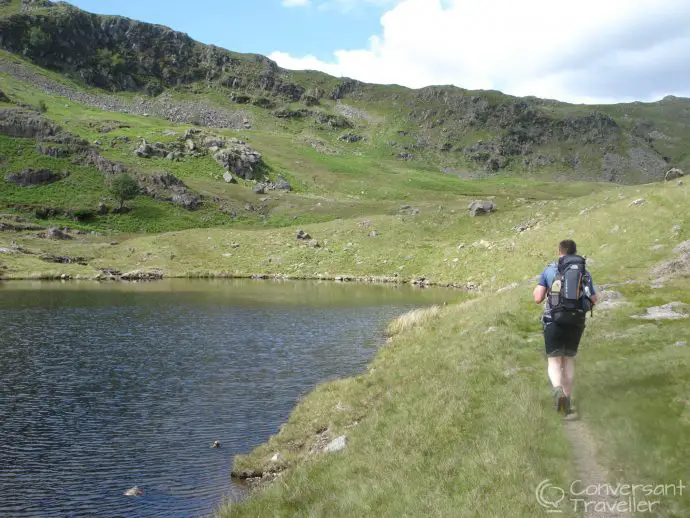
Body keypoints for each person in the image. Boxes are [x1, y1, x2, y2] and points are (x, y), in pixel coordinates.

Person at [533, 239, 597, 415]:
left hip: (553, 320)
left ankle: (558, 394)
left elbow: (538, 298)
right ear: (575, 252)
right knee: (568, 360)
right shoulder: (584, 272)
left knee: (554, 361)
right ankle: (567, 401)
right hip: (576, 321)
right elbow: (594, 299)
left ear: (559, 252)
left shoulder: (550, 269)